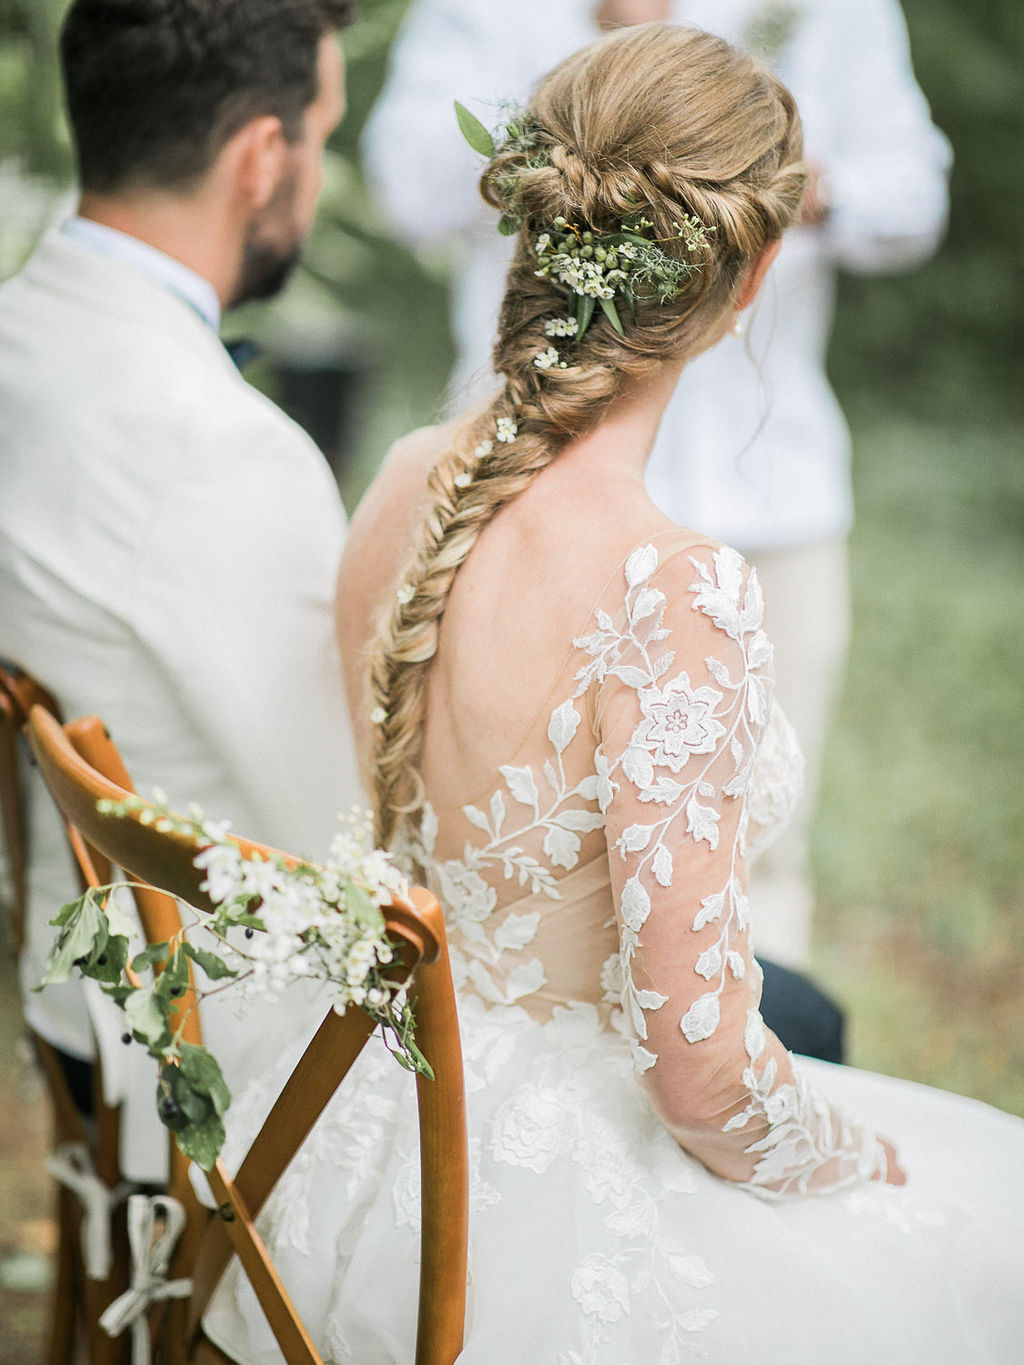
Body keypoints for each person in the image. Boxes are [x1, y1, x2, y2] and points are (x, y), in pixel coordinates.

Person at [200, 25, 1023, 1363]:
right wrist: (852, 1153)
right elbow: (702, 1085)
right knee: (979, 1231)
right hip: (542, 1202)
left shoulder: (412, 476)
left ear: (530, 226)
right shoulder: (673, 595)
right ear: (750, 277)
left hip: (369, 1127)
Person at [361, 0, 952, 968]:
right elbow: (403, 179)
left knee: (761, 859)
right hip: (529, 484)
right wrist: (604, 110)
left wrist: (790, 194)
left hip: (770, 497)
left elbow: (916, 192)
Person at [0, 0, 359, 1183]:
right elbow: (348, 848)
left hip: (79, 1011)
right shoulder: (224, 453)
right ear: (264, 159)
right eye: (321, 134)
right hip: (231, 1079)